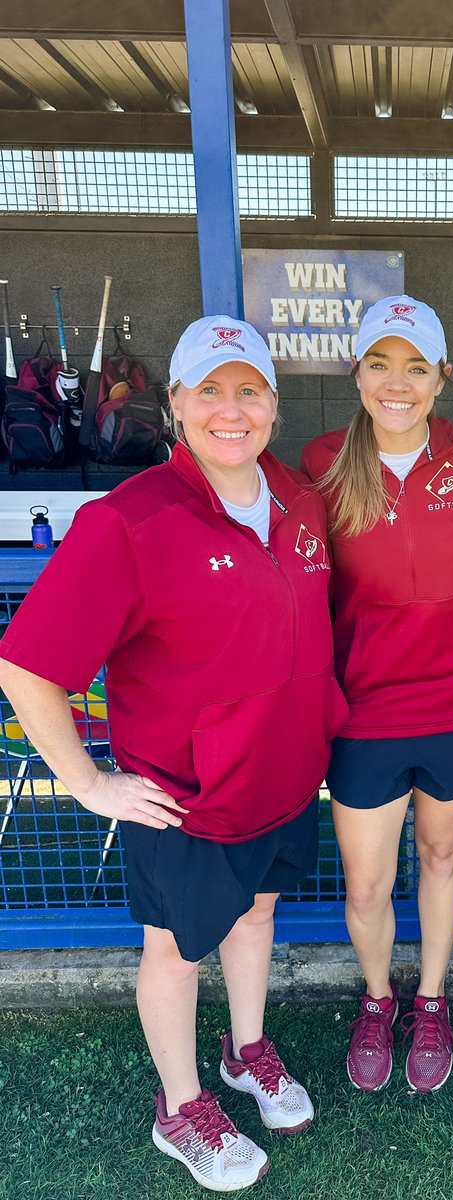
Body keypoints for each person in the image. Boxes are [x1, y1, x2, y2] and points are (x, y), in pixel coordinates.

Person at [0, 316, 348, 1192]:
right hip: (184, 798)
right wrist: (88, 783)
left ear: (273, 403)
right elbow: (26, 666)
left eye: (249, 391)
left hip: (282, 777)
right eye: (211, 391)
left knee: (257, 918)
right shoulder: (130, 521)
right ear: (179, 404)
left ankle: (245, 1050)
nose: (232, 410)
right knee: (174, 951)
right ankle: (180, 1106)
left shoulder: (299, 499)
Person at [301, 295, 453, 1093]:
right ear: (356, 372)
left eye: (415, 367)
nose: (397, 383)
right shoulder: (322, 461)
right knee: (367, 882)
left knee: (442, 854)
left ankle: (432, 1000)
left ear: (442, 377)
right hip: (364, 711)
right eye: (381, 364)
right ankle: (379, 999)